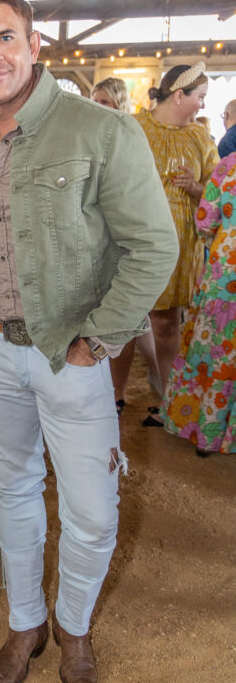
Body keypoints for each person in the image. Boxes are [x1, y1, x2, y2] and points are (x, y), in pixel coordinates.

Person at [0, 0, 178, 683]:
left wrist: (96, 342)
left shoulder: (101, 131)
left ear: (34, 44)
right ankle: (25, 623)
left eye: (5, 37)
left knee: (91, 510)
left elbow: (152, 247)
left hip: (69, 355)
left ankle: (72, 626)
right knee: (12, 488)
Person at [134, 65, 219, 418]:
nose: (201, 106)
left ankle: (168, 399)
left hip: (183, 245)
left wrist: (197, 188)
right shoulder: (137, 129)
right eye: (199, 98)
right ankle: (111, 399)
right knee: (127, 322)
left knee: (168, 322)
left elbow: (220, 193)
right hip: (137, 241)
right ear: (180, 94)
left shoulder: (200, 138)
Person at [90, 79, 162, 410]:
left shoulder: (127, 134)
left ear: (118, 104)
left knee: (126, 322)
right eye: (95, 100)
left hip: (120, 239)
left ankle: (117, 390)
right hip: (94, 241)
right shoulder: (85, 134)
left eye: (106, 101)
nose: (99, 106)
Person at [160, 151, 236, 456]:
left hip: (227, 271)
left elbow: (205, 220)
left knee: (215, 349)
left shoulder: (229, 165)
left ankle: (210, 428)